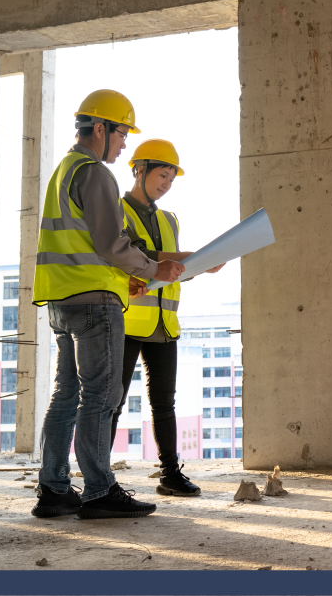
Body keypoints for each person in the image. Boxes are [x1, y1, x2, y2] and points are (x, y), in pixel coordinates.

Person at [31, 89, 185, 519]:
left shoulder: (64, 169)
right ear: (100, 129)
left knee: (66, 396)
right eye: (121, 134)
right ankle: (99, 490)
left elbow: (82, 240)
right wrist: (152, 269)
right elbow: (109, 244)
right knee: (101, 395)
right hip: (95, 301)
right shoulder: (96, 173)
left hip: (61, 299)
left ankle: (54, 488)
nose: (123, 144)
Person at [109, 138, 223, 496]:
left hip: (163, 323)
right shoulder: (117, 210)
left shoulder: (169, 218)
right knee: (113, 402)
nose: (166, 184)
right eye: (162, 175)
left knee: (164, 402)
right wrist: (192, 255)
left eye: (172, 179)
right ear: (139, 170)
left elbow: (169, 270)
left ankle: (170, 474)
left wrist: (198, 266)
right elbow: (137, 255)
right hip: (127, 321)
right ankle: (100, 478)